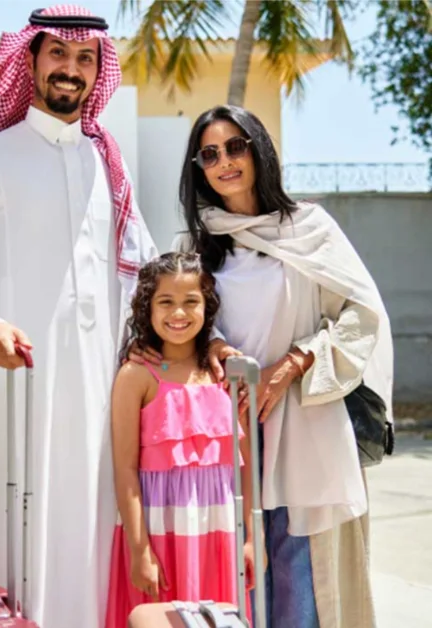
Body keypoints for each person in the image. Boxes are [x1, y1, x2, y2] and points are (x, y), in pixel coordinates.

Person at [0, 4, 224, 624]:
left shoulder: (105, 164)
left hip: (103, 391)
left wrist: (205, 339)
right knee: (17, 536)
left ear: (98, 70)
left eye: (86, 58)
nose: (71, 68)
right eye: (58, 53)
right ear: (30, 59)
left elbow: (151, 276)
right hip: (19, 384)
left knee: (97, 531)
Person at [169, 104, 393, 627]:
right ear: (198, 168)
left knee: (302, 574)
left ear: (258, 149)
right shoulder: (196, 243)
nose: (224, 161)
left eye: (235, 146)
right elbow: (182, 320)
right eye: (209, 153)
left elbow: (362, 313)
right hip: (228, 426)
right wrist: (218, 350)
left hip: (306, 421)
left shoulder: (310, 228)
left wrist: (293, 362)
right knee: (238, 573)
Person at [103, 252, 255, 627]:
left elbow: (247, 465)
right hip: (160, 533)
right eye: (165, 302)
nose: (179, 313)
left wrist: (253, 538)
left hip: (220, 532)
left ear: (208, 306)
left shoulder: (225, 373)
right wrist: (140, 550)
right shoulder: (136, 375)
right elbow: (125, 470)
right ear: (147, 308)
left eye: (191, 302)